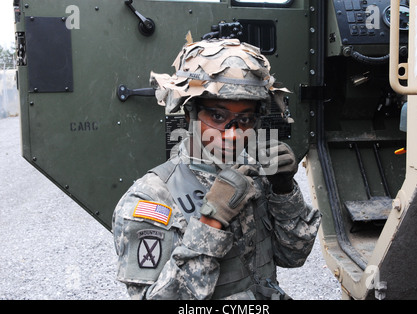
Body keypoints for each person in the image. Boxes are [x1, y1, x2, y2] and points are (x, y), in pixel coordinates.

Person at [112, 38, 321, 300]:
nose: (233, 135)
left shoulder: (257, 175)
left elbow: (293, 255)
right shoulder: (152, 197)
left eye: (245, 119)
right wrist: (211, 221)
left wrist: (283, 189)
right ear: (190, 113)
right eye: (218, 117)